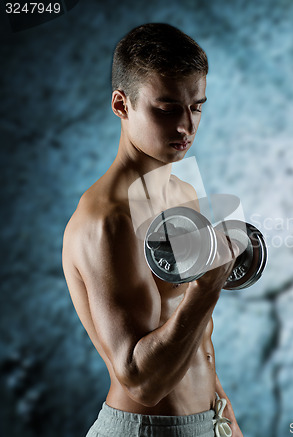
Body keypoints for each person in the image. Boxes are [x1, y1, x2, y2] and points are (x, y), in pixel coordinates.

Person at [62, 23, 243, 437]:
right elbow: (142, 382)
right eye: (166, 109)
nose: (186, 127)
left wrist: (228, 423)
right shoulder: (106, 220)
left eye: (196, 107)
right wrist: (208, 286)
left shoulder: (179, 189)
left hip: (205, 423)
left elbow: (197, 339)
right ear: (121, 105)